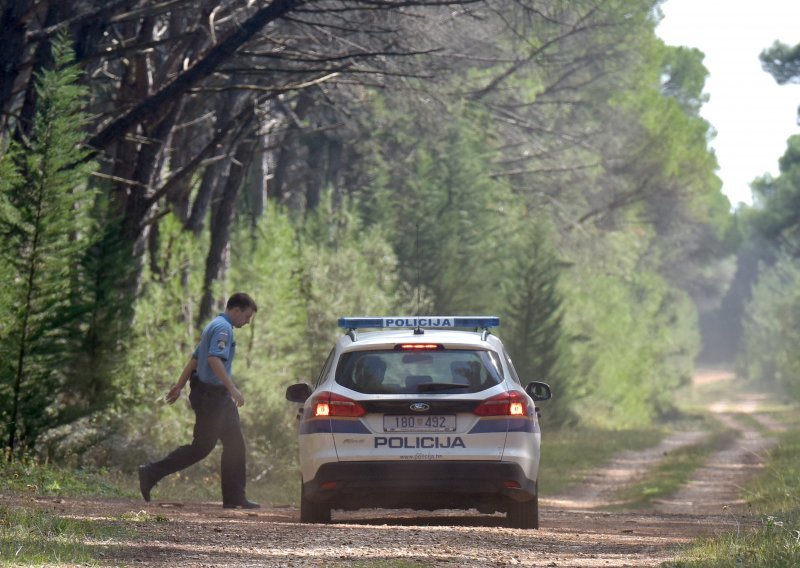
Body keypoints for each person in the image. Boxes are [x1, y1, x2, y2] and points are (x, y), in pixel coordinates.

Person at [138, 292, 260, 509]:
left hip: (214, 394)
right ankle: (151, 472)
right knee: (202, 447)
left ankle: (234, 497)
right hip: (212, 395)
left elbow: (195, 358)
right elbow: (213, 359)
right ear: (236, 310)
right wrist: (233, 389)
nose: (247, 322)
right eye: (247, 317)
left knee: (234, 443)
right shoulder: (222, 329)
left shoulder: (214, 325)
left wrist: (179, 385)